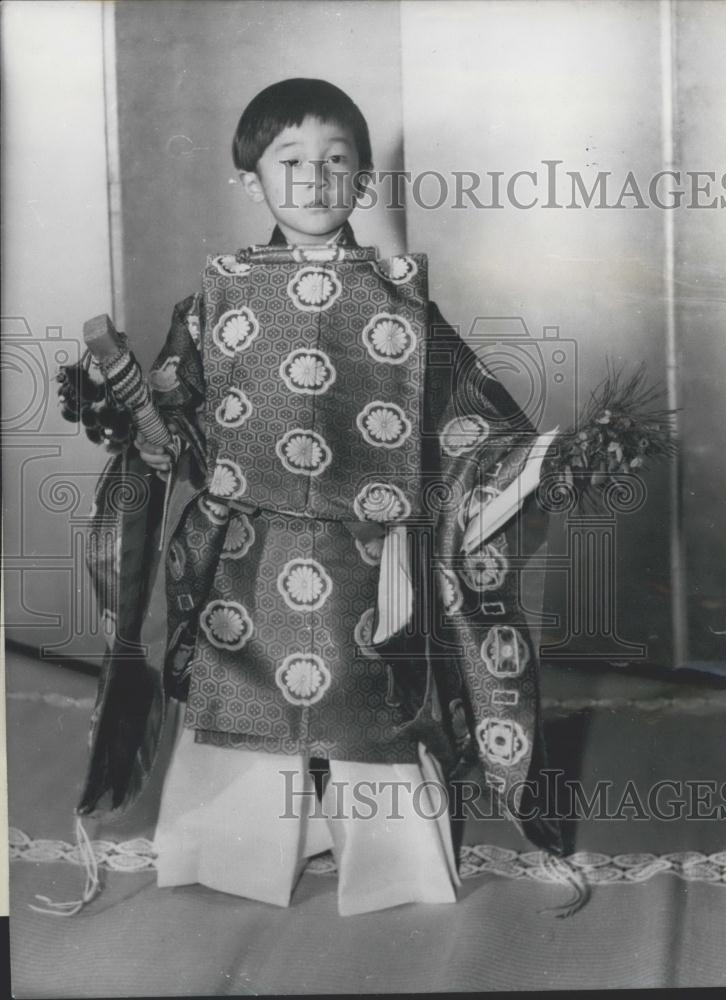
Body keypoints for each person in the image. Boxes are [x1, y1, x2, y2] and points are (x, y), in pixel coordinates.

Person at [75, 78, 570, 916]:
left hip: (368, 555)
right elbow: (174, 420)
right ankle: (234, 854)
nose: (313, 178)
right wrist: (130, 409)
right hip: (246, 548)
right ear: (250, 180)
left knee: (369, 704)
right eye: (290, 159)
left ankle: (388, 860)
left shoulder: (405, 303)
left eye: (336, 161)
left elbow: (470, 419)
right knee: (241, 697)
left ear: (365, 183)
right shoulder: (212, 300)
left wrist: (543, 458)